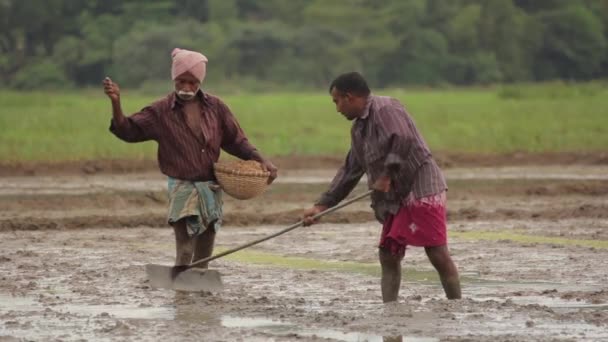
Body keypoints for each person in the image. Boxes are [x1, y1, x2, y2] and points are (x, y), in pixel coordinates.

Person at [103, 48, 277, 268]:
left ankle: (199, 291)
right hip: (182, 187)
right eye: (181, 81)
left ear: (200, 81)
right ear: (174, 79)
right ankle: (181, 289)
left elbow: (237, 141)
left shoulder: (216, 108)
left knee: (204, 253)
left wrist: (264, 161)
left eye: (192, 82)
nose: (186, 88)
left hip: (211, 187)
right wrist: (116, 103)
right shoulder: (161, 111)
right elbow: (128, 130)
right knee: (185, 250)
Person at [302, 72, 460, 303]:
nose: (337, 109)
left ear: (350, 97)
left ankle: (456, 305)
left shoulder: (386, 108)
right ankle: (390, 309)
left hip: (420, 188)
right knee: (388, 254)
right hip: (396, 198)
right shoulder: (359, 130)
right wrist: (320, 206)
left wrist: (386, 175)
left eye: (337, 101)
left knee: (435, 251)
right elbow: (350, 171)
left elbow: (403, 139)